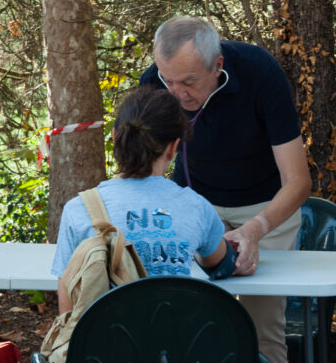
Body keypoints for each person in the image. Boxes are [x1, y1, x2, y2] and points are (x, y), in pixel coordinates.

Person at [139, 15, 311, 363]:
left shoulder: (259, 72)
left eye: (189, 82)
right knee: (177, 317)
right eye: (168, 81)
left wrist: (254, 230)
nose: (177, 94)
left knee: (261, 323)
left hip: (265, 209)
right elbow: (145, 175)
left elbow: (298, 182)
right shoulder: (155, 83)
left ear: (218, 65)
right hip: (194, 206)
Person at [51, 86, 233, 309]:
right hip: (178, 341)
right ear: (173, 147)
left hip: (104, 343)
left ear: (115, 137)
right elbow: (220, 264)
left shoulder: (78, 209)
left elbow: (67, 309)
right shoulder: (196, 207)